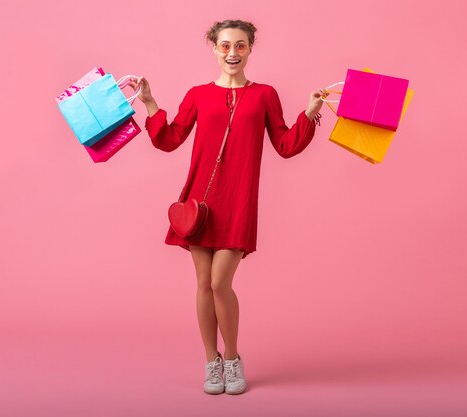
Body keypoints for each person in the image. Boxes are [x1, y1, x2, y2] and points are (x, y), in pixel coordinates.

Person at [129, 19, 324, 395]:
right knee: (203, 283)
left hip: (237, 200)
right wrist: (151, 103)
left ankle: (232, 359)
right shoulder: (198, 94)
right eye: (224, 46)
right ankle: (210, 363)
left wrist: (310, 112)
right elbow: (169, 140)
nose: (232, 53)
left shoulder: (265, 94)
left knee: (220, 283)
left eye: (239, 46)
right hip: (198, 201)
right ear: (213, 48)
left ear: (250, 49)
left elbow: (285, 145)